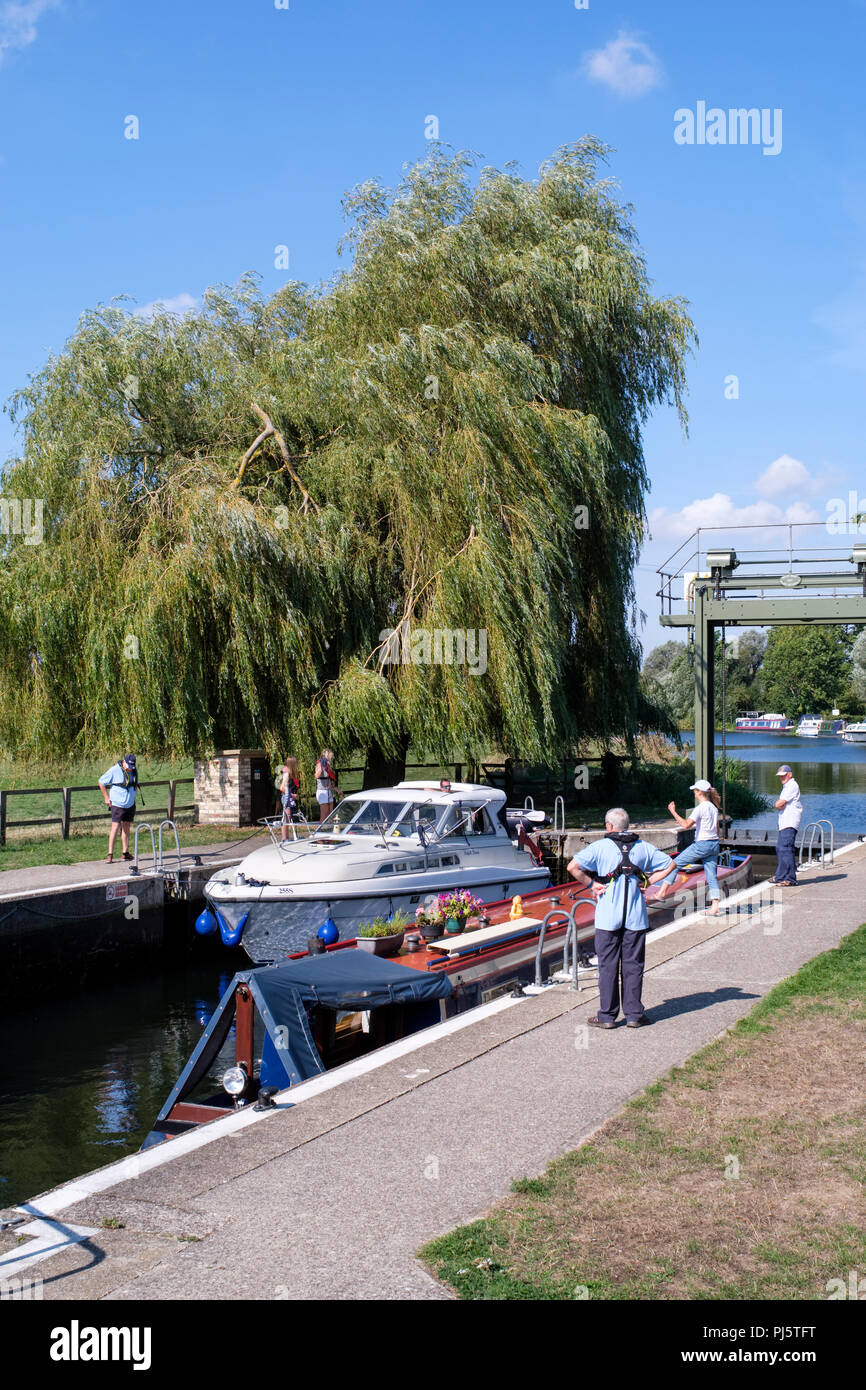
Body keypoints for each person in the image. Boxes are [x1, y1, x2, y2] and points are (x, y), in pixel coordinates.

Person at [567, 808, 674, 1029]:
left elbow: (573, 867)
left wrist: (591, 884)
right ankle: (634, 1014)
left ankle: (607, 1016)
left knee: (608, 966)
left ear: (609, 826)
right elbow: (671, 864)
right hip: (635, 918)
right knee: (633, 966)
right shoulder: (643, 847)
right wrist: (647, 882)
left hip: (607, 919)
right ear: (628, 826)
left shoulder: (599, 847)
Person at [655, 780, 722, 916]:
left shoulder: (700, 808)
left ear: (699, 792)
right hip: (714, 843)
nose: (694, 793)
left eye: (695, 791)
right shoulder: (713, 808)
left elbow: (686, 825)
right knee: (711, 876)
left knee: (675, 864)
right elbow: (717, 829)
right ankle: (715, 906)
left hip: (701, 844)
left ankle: (661, 893)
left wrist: (673, 812)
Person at [98, 754, 140, 863]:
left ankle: (125, 853)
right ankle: (110, 854)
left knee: (126, 826)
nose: (130, 768)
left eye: (132, 766)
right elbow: (101, 782)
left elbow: (135, 784)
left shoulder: (134, 770)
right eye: (129, 765)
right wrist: (106, 798)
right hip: (117, 803)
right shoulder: (114, 770)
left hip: (130, 804)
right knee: (115, 827)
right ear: (124, 762)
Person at [771, 763, 802, 886]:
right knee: (780, 848)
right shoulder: (786, 786)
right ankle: (780, 876)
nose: (781, 778)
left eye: (783, 776)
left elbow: (779, 804)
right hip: (784, 822)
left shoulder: (791, 786)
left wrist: (779, 804)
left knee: (786, 849)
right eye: (780, 776)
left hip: (790, 822)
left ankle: (790, 879)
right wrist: (780, 804)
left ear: (790, 775)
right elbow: (781, 804)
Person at [279, 756, 301, 845]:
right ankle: (285, 838)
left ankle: (293, 836)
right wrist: (292, 795)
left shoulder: (292, 774)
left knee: (291, 817)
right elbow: (281, 788)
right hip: (287, 798)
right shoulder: (287, 774)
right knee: (286, 818)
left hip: (291, 798)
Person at [314, 749, 339, 821]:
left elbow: (330, 780)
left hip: (329, 790)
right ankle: (321, 830)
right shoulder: (320, 764)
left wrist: (337, 790)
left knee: (330, 813)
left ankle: (330, 829)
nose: (331, 759)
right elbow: (316, 776)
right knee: (324, 814)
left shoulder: (327, 766)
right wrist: (320, 769)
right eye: (330, 757)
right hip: (322, 791)